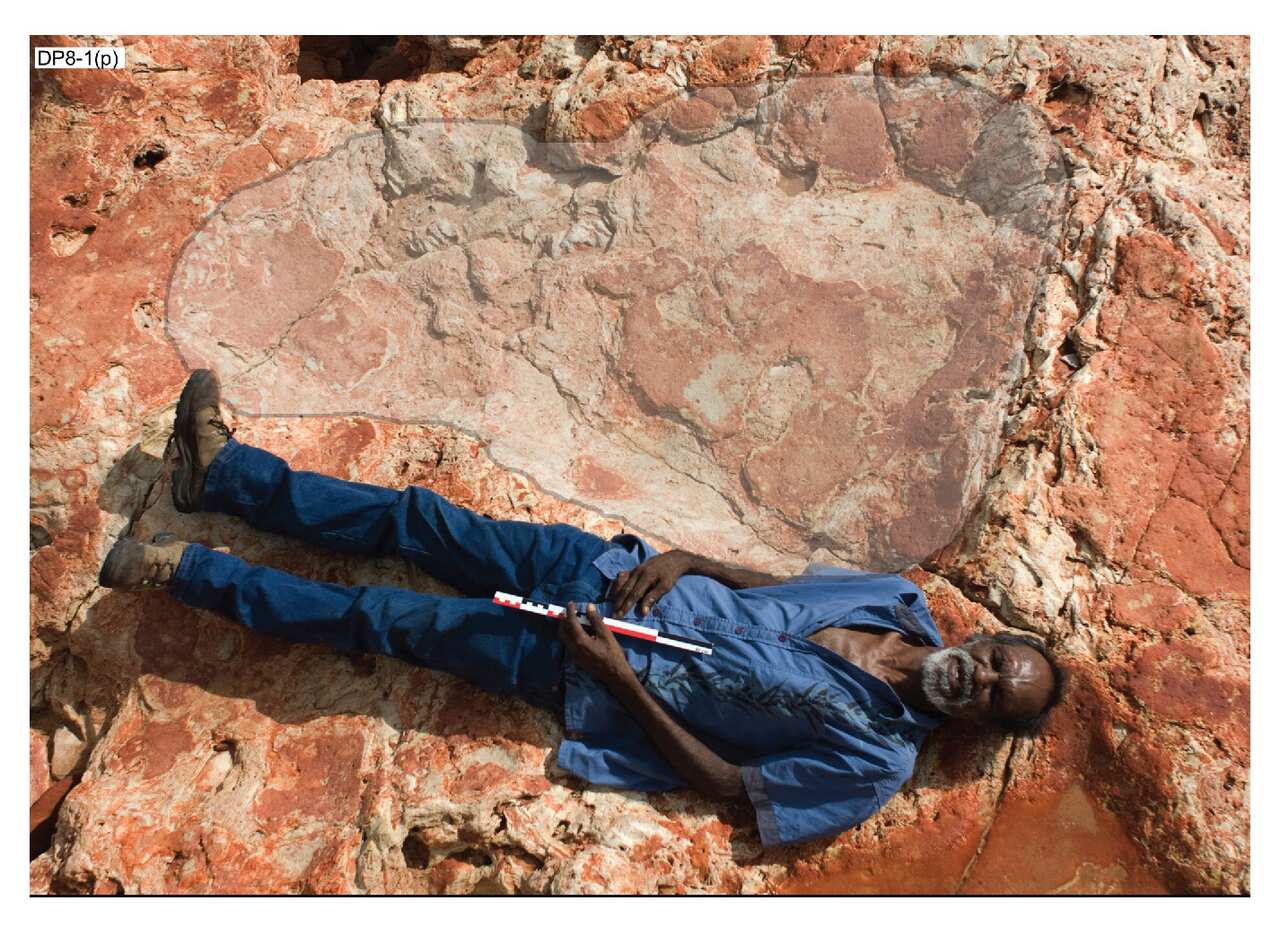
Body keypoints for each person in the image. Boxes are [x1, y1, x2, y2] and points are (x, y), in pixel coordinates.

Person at [100, 370, 1067, 848]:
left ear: (981, 722)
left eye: (993, 697)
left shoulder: (876, 764)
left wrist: (618, 682)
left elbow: (735, 787)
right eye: (995, 662)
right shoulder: (897, 599)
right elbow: (777, 589)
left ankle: (184, 573)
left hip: (580, 662)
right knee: (415, 518)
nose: (978, 678)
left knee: (382, 621)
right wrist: (688, 555)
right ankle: (225, 474)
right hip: (603, 568)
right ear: (987, 637)